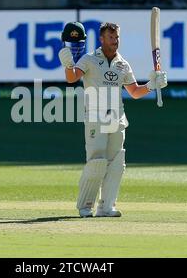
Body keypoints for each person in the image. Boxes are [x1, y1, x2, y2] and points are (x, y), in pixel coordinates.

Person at [58, 22, 168, 218]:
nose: (115, 41)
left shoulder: (122, 64)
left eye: (117, 37)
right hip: (95, 118)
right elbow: (71, 78)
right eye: (111, 37)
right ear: (102, 39)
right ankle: (85, 206)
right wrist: (68, 65)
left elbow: (134, 92)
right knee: (96, 163)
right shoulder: (89, 59)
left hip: (117, 119)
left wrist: (152, 85)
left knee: (116, 163)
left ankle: (106, 207)